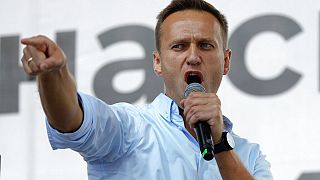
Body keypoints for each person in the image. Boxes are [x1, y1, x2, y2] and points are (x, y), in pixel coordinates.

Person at [20, 0, 273, 179]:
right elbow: (72, 119)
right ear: (157, 62)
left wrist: (220, 145)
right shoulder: (129, 129)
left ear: (226, 61)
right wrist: (54, 74)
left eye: (206, 45)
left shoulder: (249, 156)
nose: (193, 56)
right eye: (179, 46)